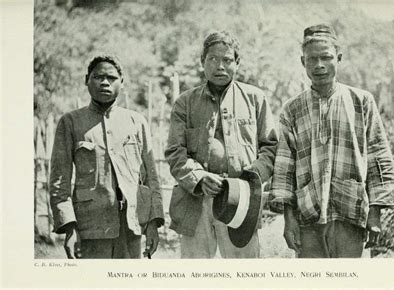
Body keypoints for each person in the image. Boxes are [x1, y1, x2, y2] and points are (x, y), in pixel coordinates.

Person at [270, 24, 394, 258]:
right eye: (312, 59)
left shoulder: (361, 102)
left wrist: (375, 213)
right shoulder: (292, 109)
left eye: (326, 57)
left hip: (350, 211)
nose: (319, 65)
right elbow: (284, 169)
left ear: (338, 58)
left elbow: (378, 157)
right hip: (307, 216)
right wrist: (288, 220)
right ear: (303, 62)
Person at [165, 31, 278, 258]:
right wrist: (198, 177)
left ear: (237, 63)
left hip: (241, 201)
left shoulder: (255, 98)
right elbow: (174, 151)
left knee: (244, 272)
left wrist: (250, 179)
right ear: (202, 62)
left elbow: (270, 147)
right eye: (213, 59)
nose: (220, 66)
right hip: (195, 202)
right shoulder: (184, 103)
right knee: (195, 274)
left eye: (227, 60)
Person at [49, 55, 164, 259]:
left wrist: (154, 222)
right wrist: (69, 227)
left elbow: (151, 177)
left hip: (131, 226)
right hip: (90, 228)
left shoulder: (136, 122)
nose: (104, 82)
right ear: (87, 80)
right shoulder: (70, 122)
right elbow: (60, 180)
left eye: (111, 78)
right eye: (97, 77)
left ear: (122, 82)